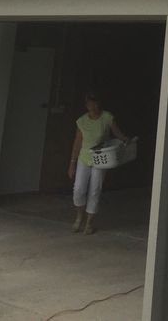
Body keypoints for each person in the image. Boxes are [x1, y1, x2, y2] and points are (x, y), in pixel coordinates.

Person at [68, 89, 128, 234]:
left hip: (101, 159)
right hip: (84, 158)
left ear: (98, 104)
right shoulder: (81, 121)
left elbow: (117, 133)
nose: (91, 106)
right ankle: (79, 217)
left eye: (94, 103)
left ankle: (89, 223)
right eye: (89, 103)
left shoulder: (107, 117)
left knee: (95, 190)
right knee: (79, 189)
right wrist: (72, 162)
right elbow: (77, 143)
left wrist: (126, 140)